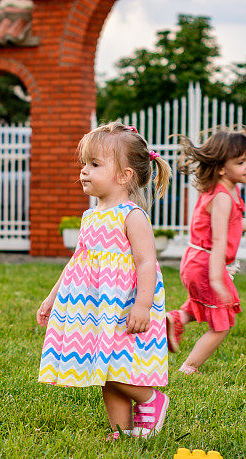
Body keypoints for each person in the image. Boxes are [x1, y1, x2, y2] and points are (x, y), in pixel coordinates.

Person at [37, 122, 172, 441]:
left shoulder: (131, 215)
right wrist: (52, 297)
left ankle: (150, 399)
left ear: (124, 175)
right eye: (84, 163)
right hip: (92, 304)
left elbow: (146, 262)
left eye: (94, 164)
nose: (84, 171)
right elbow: (76, 262)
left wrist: (142, 305)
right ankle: (121, 430)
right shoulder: (89, 216)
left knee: (112, 364)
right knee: (101, 367)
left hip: (122, 303)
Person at [166, 130, 246, 374]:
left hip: (196, 261)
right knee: (222, 324)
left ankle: (172, 320)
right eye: (241, 162)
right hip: (206, 264)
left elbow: (230, 222)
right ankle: (188, 369)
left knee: (200, 306)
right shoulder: (223, 197)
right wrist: (217, 279)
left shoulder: (223, 190)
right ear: (222, 168)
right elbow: (219, 241)